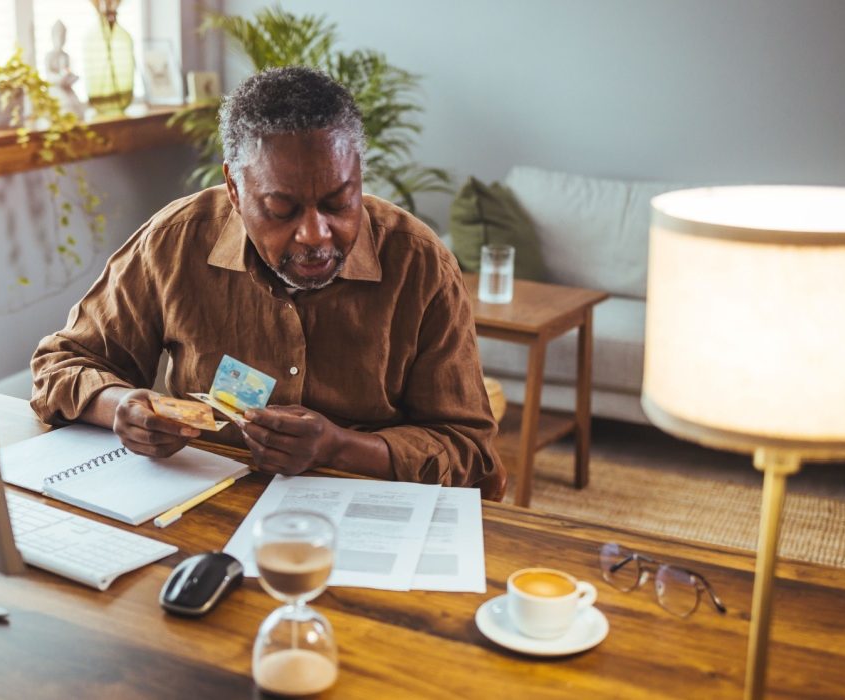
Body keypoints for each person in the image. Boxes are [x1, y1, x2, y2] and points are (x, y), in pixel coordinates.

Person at [30, 66, 505, 499]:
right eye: (283, 210)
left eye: (340, 203)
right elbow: (62, 364)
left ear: (358, 176)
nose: (316, 235)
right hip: (206, 502)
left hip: (368, 507)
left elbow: (468, 448)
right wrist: (118, 408)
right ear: (234, 190)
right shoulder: (176, 241)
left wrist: (339, 448)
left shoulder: (419, 265)